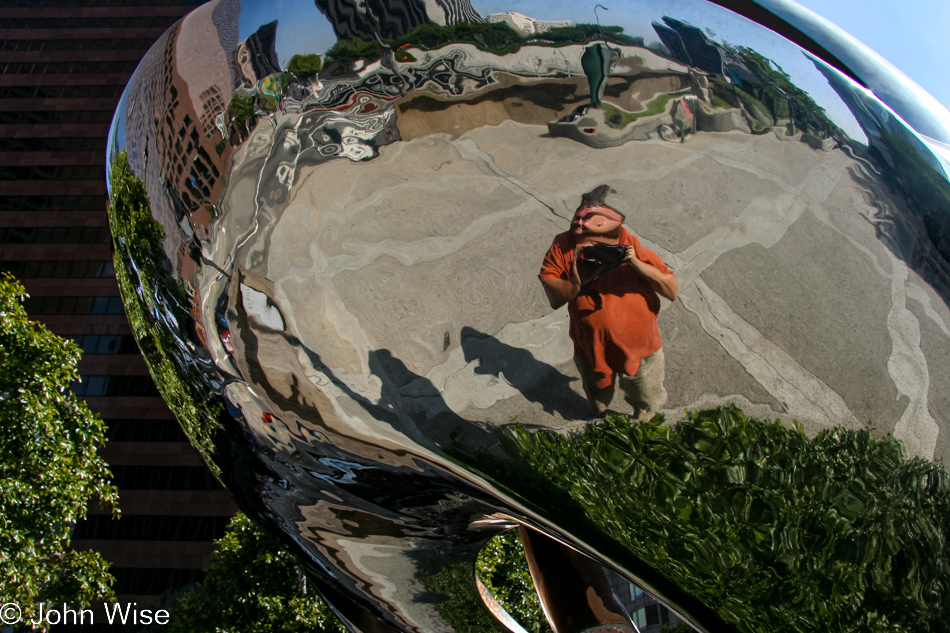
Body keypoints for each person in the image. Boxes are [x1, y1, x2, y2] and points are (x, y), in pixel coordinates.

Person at [538, 185, 678, 418]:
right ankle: (600, 413)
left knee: (644, 389)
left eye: (590, 220)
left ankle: (641, 411)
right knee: (597, 390)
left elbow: (671, 290)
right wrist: (579, 277)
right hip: (591, 346)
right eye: (577, 217)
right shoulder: (563, 245)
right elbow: (554, 297)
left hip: (642, 346)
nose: (579, 224)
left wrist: (635, 263)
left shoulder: (629, 245)